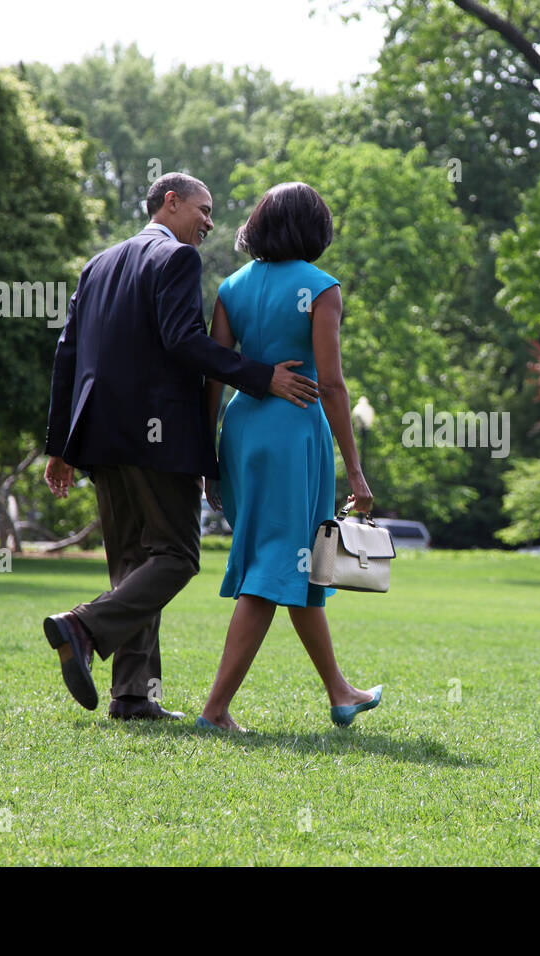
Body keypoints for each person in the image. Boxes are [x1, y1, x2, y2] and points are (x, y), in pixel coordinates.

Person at [41, 172, 319, 721]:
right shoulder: (175, 260)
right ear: (171, 203)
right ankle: (83, 626)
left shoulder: (97, 265)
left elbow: (66, 354)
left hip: (98, 435)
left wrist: (59, 444)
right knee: (176, 555)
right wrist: (262, 377)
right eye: (204, 209)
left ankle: (133, 695)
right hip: (157, 436)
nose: (211, 223)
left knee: (131, 563)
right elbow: (184, 342)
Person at [197, 181, 380, 732]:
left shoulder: (231, 286)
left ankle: (340, 691)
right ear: (314, 230)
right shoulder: (322, 289)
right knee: (272, 566)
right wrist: (356, 470)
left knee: (298, 559)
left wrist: (208, 456)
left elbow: (214, 373)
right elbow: (332, 385)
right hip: (293, 434)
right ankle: (215, 709)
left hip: (242, 431)